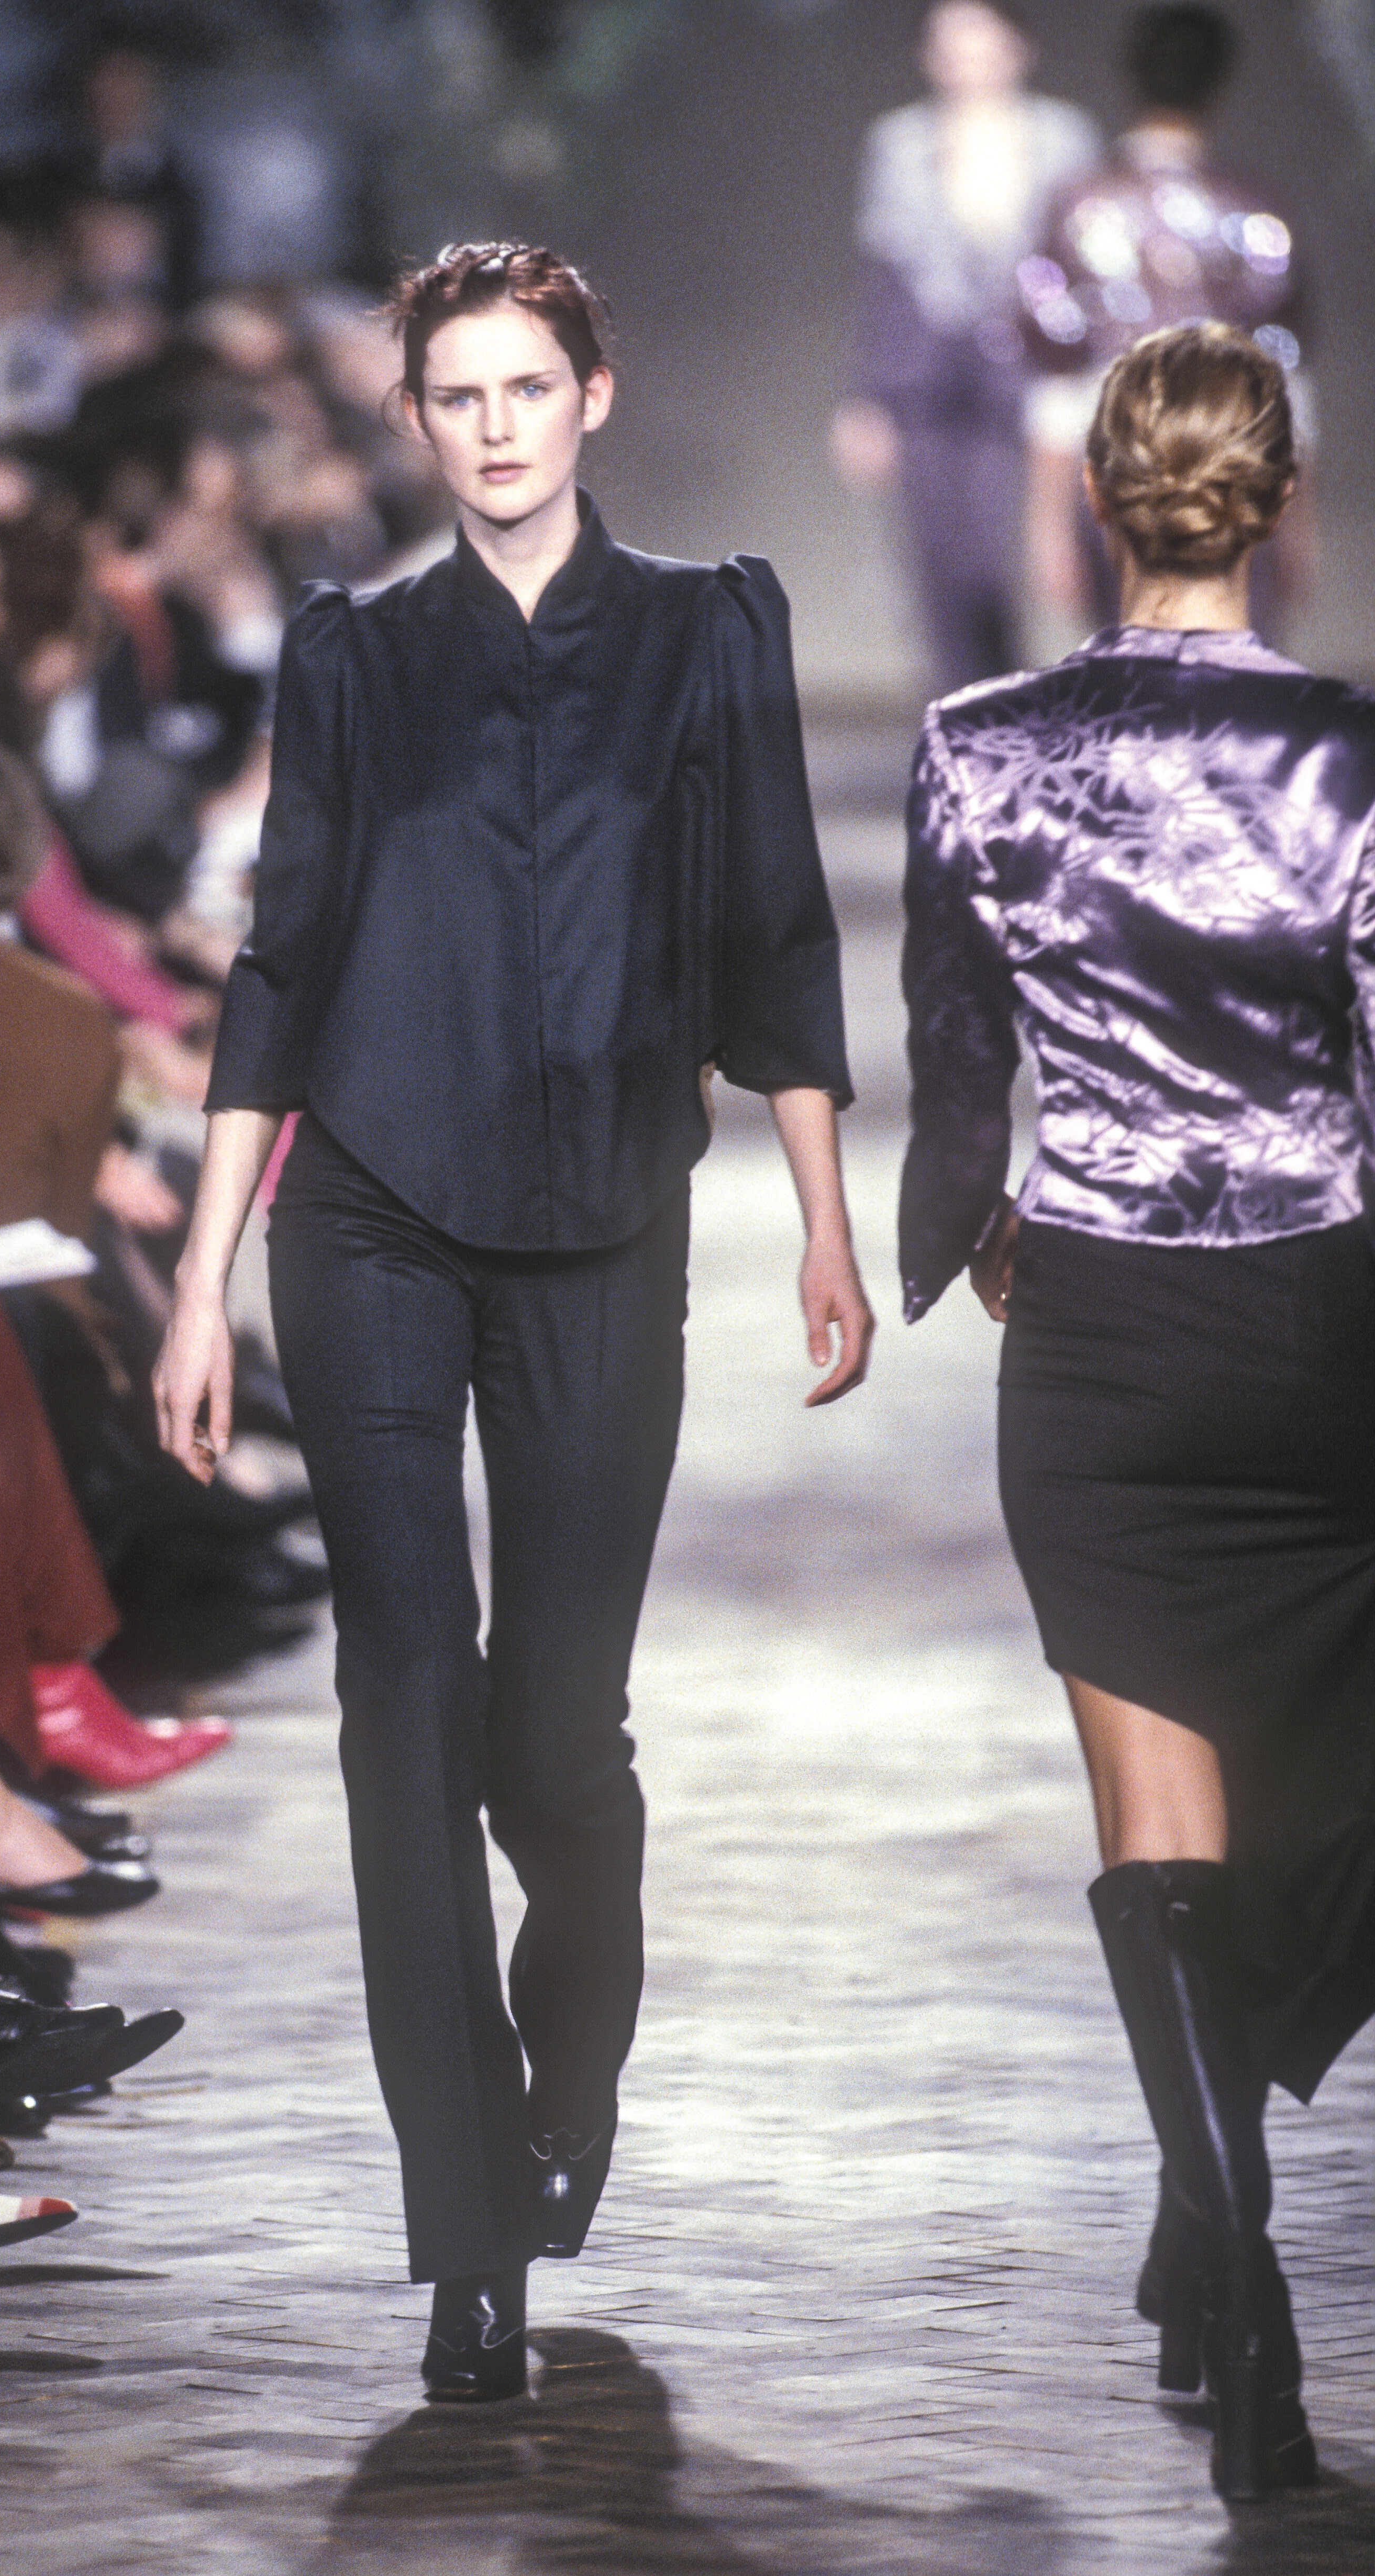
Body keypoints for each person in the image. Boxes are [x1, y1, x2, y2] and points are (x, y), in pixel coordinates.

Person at [155, 241, 873, 2400]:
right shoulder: (351, 653)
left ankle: (578, 2050)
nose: (492, 427)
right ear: (414, 418)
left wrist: (825, 1223)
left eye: (526, 387)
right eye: (455, 394)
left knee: (558, 1733)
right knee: (404, 1704)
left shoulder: (709, 630)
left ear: (593, 395)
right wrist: (198, 1278)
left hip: (602, 1226)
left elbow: (775, 933)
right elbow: (281, 960)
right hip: (367, 1212)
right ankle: (467, 2238)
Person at [899, 321, 1375, 2502]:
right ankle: (1218, 2230)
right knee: (1315, 1787)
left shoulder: (979, 748)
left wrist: (963, 1229)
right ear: (1278, 501)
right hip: (1318, 1317)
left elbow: (957, 1065)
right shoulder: (1349, 761)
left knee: (1157, 1823)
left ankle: (1228, 2273)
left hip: (1101, 1331)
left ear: (1095, 496)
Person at [1021, 4, 1311, 636]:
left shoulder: (1079, 206)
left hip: (1118, 482)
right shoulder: (1253, 210)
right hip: (1236, 481)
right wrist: (1297, 522)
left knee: (1126, 670)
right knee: (1240, 675)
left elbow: (1057, 380)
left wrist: (1046, 526)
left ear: (1131, 77)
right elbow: (1286, 382)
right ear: (1219, 85)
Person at [833, 1, 1099, 691]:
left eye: (983, 43)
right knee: (937, 570)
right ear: (930, 56)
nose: (967, 60)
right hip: (922, 378)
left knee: (992, 564)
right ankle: (960, 720)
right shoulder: (899, 141)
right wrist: (866, 400)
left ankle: (1003, 708)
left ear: (1018, 48)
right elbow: (886, 273)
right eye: (951, 46)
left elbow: (1082, 267)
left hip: (1026, 377)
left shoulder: (1062, 136)